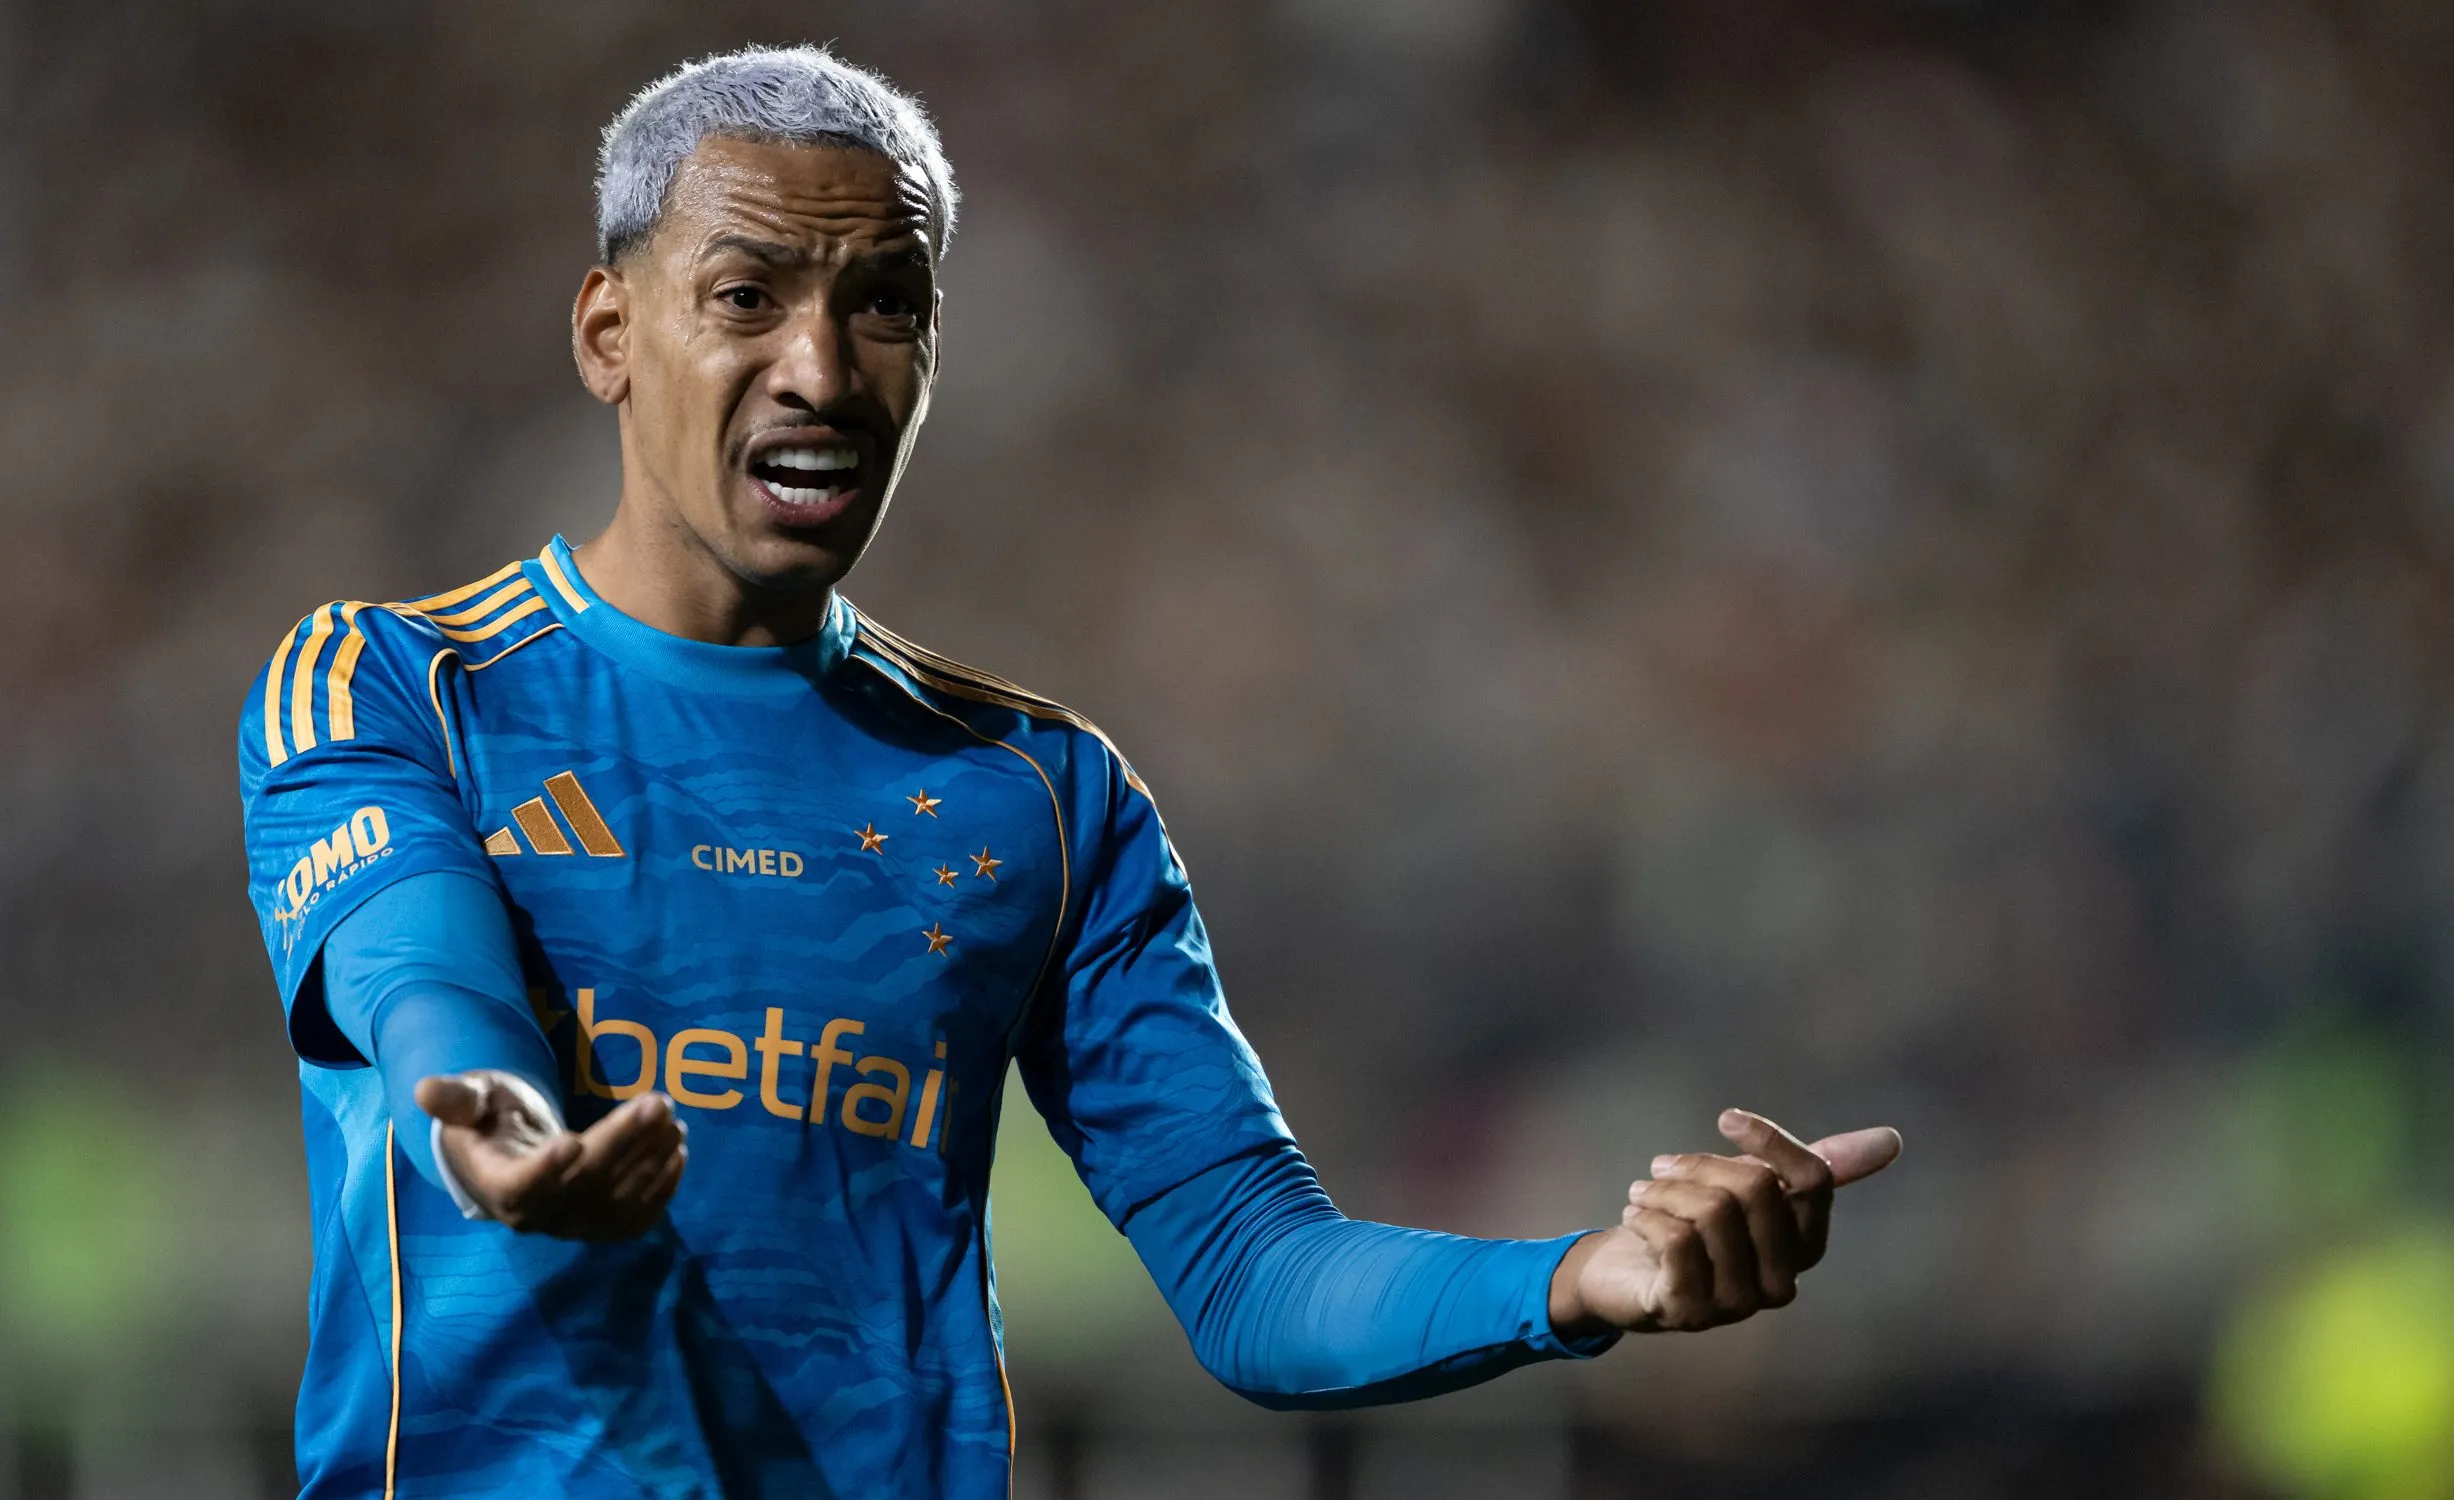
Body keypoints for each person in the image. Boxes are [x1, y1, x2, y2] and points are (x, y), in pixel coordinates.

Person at [237, 44, 1902, 1499]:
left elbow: (1252, 1270)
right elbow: (421, 982)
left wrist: (1580, 1279)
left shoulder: (1039, 795)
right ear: (610, 329)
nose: (819, 367)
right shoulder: (393, 683)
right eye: (745, 296)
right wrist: (502, 1139)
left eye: (882, 304)